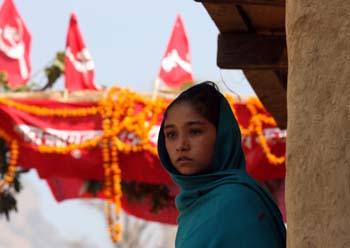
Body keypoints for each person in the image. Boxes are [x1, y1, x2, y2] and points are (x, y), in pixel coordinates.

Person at [157, 81, 286, 247]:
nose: (181, 145)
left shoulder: (238, 201)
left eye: (195, 131)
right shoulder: (191, 210)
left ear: (222, 136)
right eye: (171, 134)